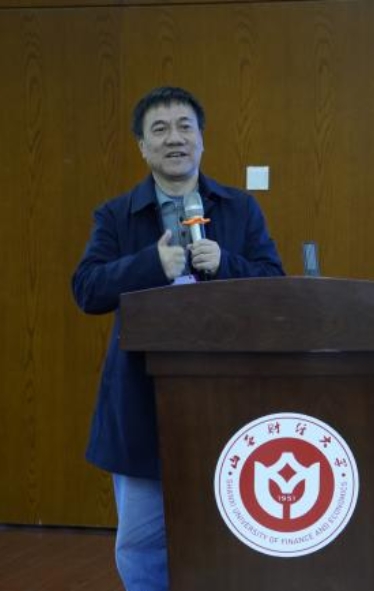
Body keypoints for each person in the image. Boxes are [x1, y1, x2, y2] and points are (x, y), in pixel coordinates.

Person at [71, 86, 284, 591]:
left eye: (185, 127)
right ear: (143, 147)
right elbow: (87, 289)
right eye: (160, 130)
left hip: (228, 400)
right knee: (142, 543)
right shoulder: (116, 215)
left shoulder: (239, 208)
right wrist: (150, 264)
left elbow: (275, 284)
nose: (175, 139)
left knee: (228, 533)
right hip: (142, 401)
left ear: (201, 139)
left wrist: (226, 263)